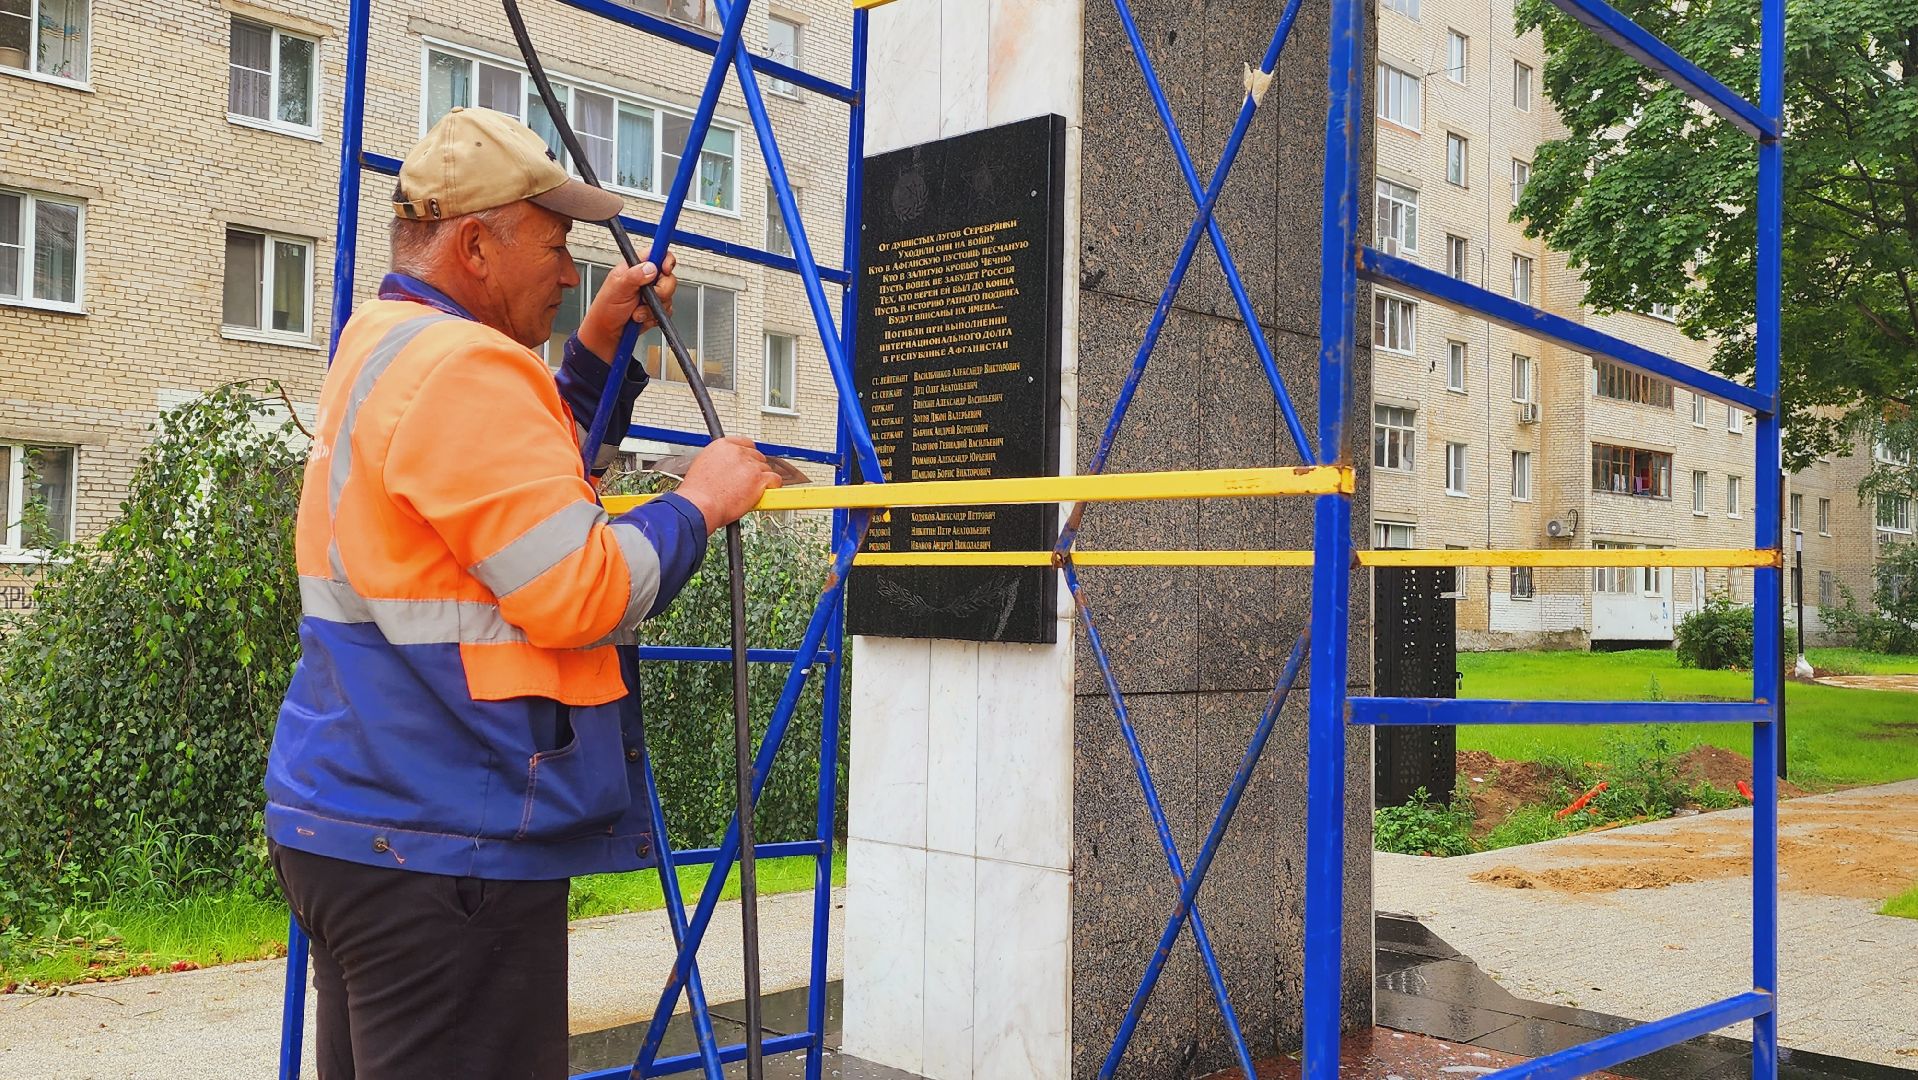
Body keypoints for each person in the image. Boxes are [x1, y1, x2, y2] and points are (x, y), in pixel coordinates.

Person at [263, 107, 782, 1079]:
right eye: (555, 244)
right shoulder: (467, 369)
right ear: (473, 246)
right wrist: (699, 506)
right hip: (447, 837)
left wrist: (593, 343)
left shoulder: (383, 344)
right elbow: (578, 586)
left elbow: (514, 495)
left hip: (357, 816)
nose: (571, 267)